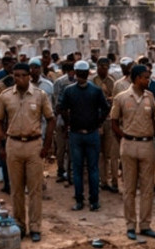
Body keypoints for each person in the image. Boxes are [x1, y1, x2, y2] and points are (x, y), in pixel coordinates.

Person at [0, 62, 54, 241]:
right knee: (16, 188)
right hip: (13, 144)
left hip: (34, 144)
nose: (19, 79)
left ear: (29, 76)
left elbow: (51, 119)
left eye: (23, 75)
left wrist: (47, 145)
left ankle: (35, 227)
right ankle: (19, 224)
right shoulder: (5, 96)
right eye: (16, 76)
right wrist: (3, 141)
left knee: (35, 189)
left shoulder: (40, 95)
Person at [110, 64, 155, 241]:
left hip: (147, 145)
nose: (148, 80)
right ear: (137, 78)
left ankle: (145, 225)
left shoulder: (150, 97)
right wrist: (123, 137)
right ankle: (130, 225)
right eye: (146, 77)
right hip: (129, 144)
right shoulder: (122, 98)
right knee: (129, 188)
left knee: (147, 188)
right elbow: (114, 121)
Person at [59, 59, 109, 212]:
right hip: (91, 133)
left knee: (78, 169)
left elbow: (61, 108)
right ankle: (94, 201)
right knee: (93, 169)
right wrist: (98, 122)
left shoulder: (69, 90)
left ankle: (79, 200)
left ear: (75, 72)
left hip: (76, 134)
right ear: (88, 73)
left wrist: (69, 123)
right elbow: (106, 108)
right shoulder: (96, 90)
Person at [92, 57, 119, 194]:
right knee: (100, 153)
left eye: (106, 67)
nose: (103, 69)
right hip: (96, 119)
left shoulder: (112, 82)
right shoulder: (92, 81)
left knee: (112, 153)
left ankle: (114, 181)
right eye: (101, 66)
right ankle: (103, 181)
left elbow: (114, 99)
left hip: (109, 119)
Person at [52, 60, 75, 184]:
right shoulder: (60, 82)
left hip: (73, 120)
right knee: (61, 148)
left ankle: (68, 173)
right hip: (62, 120)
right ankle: (61, 171)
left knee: (69, 148)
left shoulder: (76, 81)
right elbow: (57, 104)